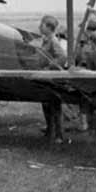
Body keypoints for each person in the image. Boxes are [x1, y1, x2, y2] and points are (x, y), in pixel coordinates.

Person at [37, 14, 67, 143]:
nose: (39, 27)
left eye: (42, 24)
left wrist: (49, 67)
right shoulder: (46, 40)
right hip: (45, 77)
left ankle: (59, 135)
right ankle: (50, 130)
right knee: (46, 104)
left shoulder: (53, 41)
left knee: (54, 105)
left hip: (51, 78)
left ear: (49, 27)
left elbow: (62, 57)